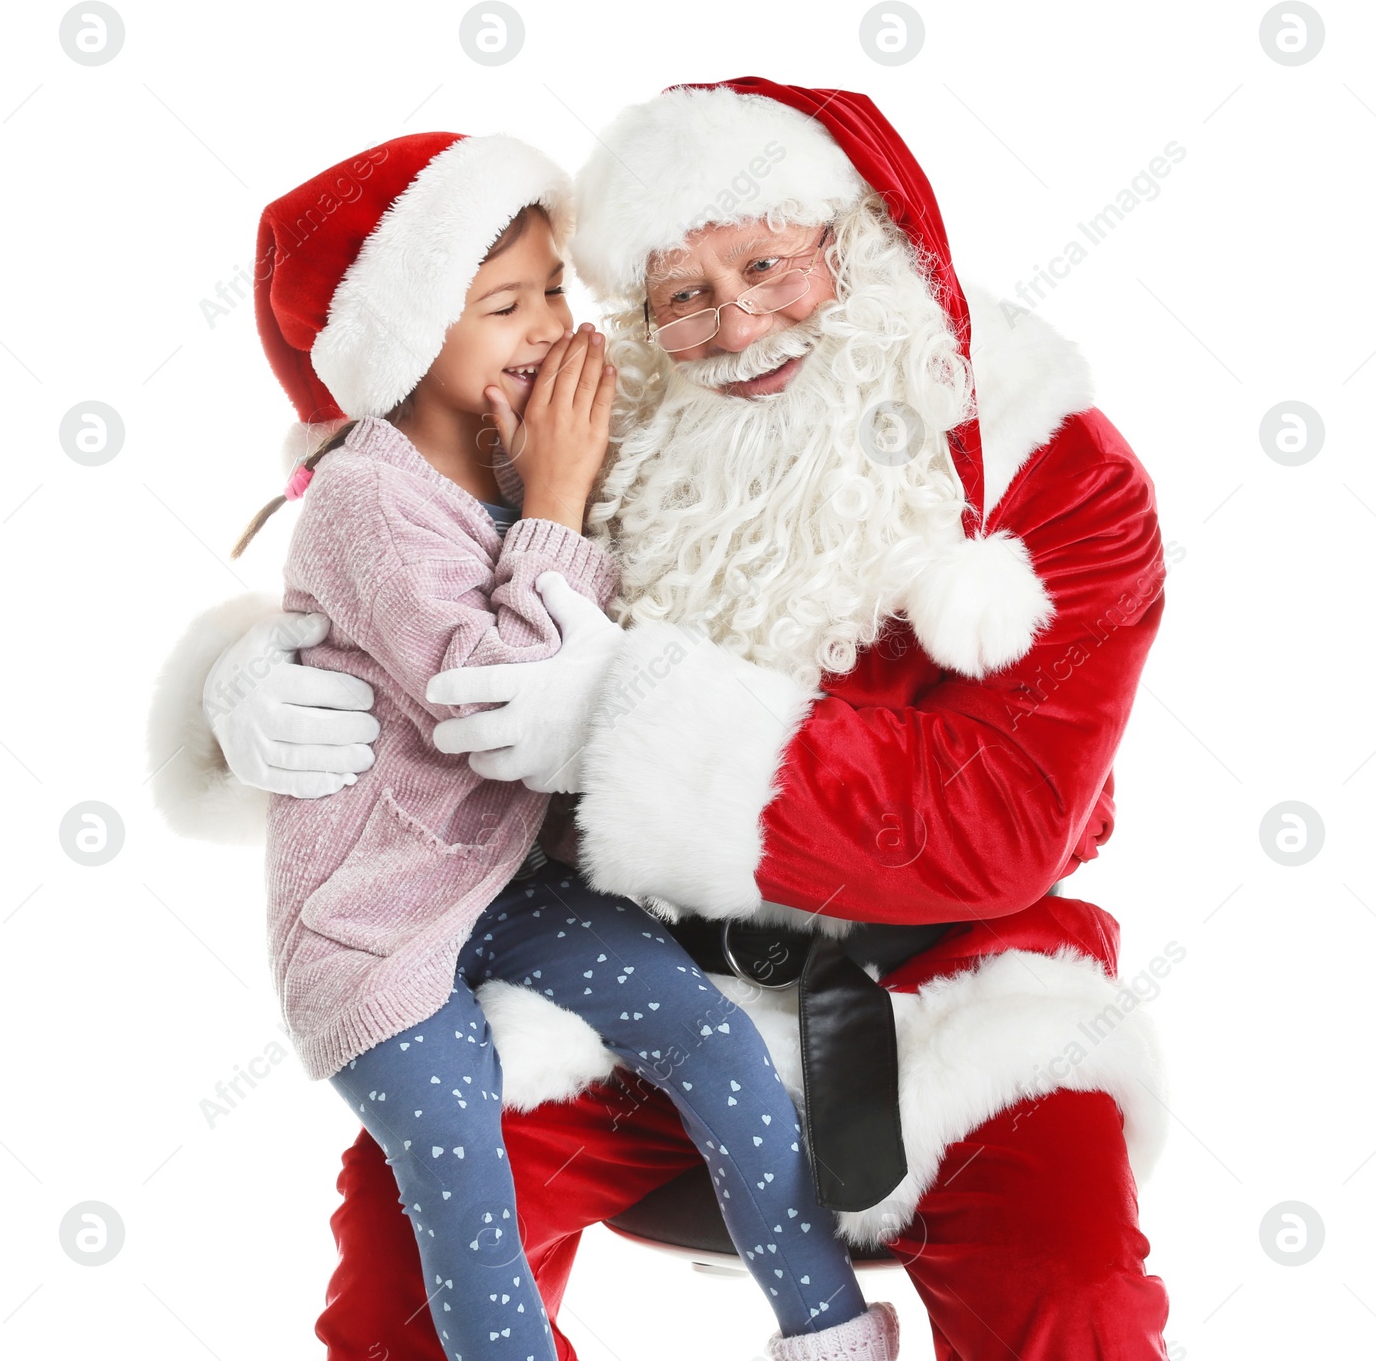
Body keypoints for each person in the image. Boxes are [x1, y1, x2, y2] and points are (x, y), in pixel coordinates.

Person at [149, 82, 1174, 1360]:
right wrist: (241, 677)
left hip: (958, 980)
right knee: (402, 1285)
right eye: (681, 295)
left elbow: (1003, 819)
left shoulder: (1052, 467)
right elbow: (406, 525)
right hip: (643, 965)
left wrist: (620, 723)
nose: (737, 322)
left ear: (859, 239)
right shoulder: (620, 429)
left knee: (1069, 1297)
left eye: (767, 262)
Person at [212, 129, 893, 1361]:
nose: (546, 328)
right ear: (409, 334)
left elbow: (641, 629)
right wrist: (557, 503)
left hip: (508, 885)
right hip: (374, 926)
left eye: (554, 291)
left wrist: (556, 487)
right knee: (464, 1173)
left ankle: (833, 1330)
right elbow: (496, 703)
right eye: (502, 304)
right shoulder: (370, 500)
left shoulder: (518, 442)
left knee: (713, 1041)